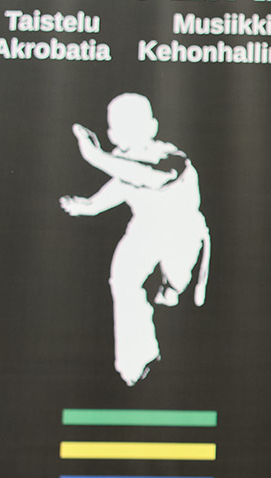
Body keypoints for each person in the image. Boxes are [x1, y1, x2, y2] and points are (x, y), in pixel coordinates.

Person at [59, 92, 212, 385]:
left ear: (153, 127)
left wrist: (95, 156)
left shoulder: (173, 158)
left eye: (133, 127)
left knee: (174, 297)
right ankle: (135, 364)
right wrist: (85, 206)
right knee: (123, 282)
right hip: (144, 231)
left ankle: (182, 359)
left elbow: (149, 176)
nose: (123, 138)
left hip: (182, 232)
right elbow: (115, 189)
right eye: (117, 130)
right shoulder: (123, 164)